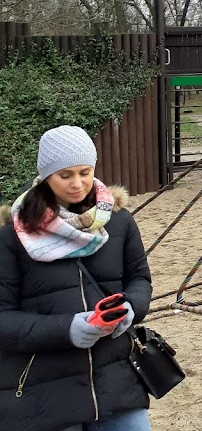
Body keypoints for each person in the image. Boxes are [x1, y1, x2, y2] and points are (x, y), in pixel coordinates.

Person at [0, 125, 153, 431]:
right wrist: (67, 329)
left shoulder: (119, 221)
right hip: (41, 389)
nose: (77, 183)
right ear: (46, 176)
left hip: (114, 381)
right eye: (65, 175)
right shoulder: (13, 234)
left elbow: (139, 279)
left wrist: (131, 308)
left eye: (85, 172)